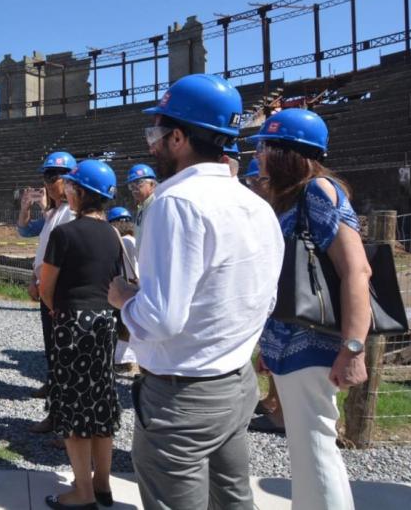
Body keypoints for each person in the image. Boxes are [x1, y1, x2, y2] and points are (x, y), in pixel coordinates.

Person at [108, 74, 284, 510]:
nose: (151, 144)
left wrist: (124, 300)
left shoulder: (176, 203)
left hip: (183, 393)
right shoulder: (255, 203)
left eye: (156, 134)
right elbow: (266, 297)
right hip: (237, 382)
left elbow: (163, 319)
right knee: (233, 499)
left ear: (179, 137)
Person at [250, 108, 371, 510]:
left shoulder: (319, 190)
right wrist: (270, 345)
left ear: (288, 152)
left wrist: (353, 348)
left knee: (316, 448)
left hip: (315, 345)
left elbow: (356, 269)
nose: (259, 155)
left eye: (265, 146)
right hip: (289, 345)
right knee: (305, 450)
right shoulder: (291, 196)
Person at [39, 160, 122, 509]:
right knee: (101, 403)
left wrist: (56, 308)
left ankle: (82, 493)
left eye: (72, 187)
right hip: (105, 322)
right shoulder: (114, 234)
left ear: (81, 192)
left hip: (72, 323)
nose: (66, 190)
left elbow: (46, 287)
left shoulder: (64, 234)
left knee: (74, 408)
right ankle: (101, 485)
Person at [17, 151, 77, 433]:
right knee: (54, 353)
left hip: (59, 293)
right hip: (48, 291)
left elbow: (62, 259)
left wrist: (45, 286)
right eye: (47, 176)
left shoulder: (71, 213)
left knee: (63, 357)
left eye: (54, 176)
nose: (49, 182)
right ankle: (57, 412)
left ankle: (60, 419)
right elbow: (42, 252)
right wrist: (35, 277)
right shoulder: (56, 212)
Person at [106, 206, 139, 373]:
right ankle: (127, 359)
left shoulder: (124, 241)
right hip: (135, 286)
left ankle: (123, 360)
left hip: (126, 287)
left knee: (123, 326)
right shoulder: (135, 239)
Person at [126, 163, 157, 251]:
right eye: (131, 186)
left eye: (139, 183)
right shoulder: (142, 206)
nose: (134, 189)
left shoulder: (158, 203)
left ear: (152, 184)